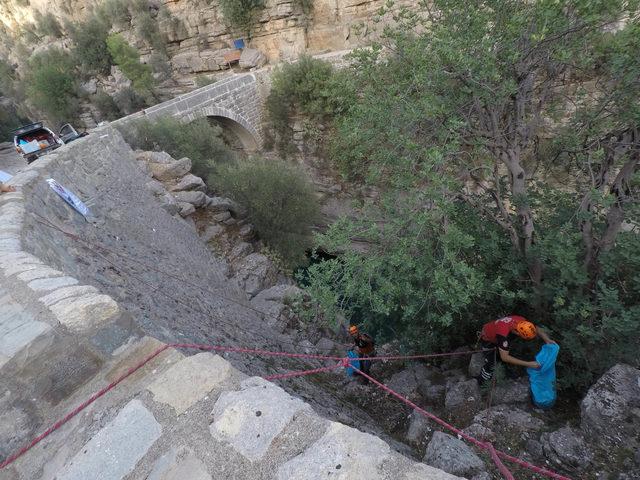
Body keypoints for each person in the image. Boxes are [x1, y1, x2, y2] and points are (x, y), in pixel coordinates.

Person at [477, 315, 556, 385]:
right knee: (491, 364)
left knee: (502, 356)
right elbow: (505, 357)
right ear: (518, 333)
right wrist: (529, 364)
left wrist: (547, 339)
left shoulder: (522, 321)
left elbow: (536, 328)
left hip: (497, 332)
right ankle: (482, 381)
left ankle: (503, 367)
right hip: (488, 339)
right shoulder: (503, 335)